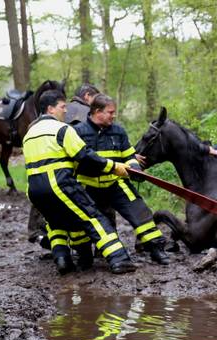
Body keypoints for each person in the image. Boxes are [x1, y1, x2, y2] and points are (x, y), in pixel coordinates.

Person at [22, 90, 137, 275]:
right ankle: (119, 259)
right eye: (62, 106)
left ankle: (63, 260)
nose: (65, 111)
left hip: (34, 189)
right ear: (50, 109)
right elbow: (85, 156)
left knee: (56, 222)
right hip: (59, 183)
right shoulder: (62, 129)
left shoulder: (29, 133)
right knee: (93, 216)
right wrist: (114, 167)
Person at [73, 94, 170, 265]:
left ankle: (156, 249)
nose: (113, 116)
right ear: (97, 112)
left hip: (115, 183)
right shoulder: (77, 132)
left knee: (139, 210)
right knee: (83, 221)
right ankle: (84, 255)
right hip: (87, 186)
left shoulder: (118, 131)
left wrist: (136, 169)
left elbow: (129, 156)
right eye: (110, 112)